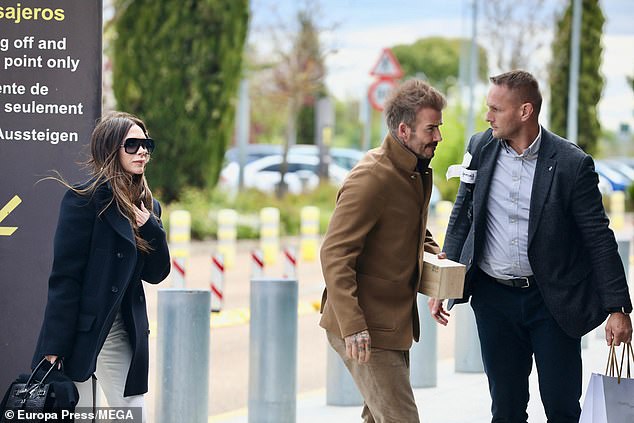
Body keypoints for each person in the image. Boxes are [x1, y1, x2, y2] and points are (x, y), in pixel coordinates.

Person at [428, 70, 633, 422]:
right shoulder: (479, 147)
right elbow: (463, 214)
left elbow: (598, 238)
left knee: (562, 408)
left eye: (495, 108)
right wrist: (443, 283)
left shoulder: (572, 163)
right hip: (494, 300)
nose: (487, 116)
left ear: (525, 111)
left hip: (552, 302)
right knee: (505, 409)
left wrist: (618, 308)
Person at [31, 111, 171, 422]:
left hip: (123, 330)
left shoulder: (148, 206)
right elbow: (65, 278)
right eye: (132, 145)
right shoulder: (84, 199)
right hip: (83, 330)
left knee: (131, 413)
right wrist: (54, 345)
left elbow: (157, 273)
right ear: (110, 149)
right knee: (79, 414)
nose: (143, 151)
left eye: (146, 144)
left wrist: (152, 228)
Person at [319, 79, 445, 422]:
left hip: (391, 324)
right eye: (431, 128)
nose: (438, 137)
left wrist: (435, 255)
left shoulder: (411, 172)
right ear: (404, 130)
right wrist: (354, 326)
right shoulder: (373, 177)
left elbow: (408, 227)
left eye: (438, 127)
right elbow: (334, 253)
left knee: (379, 418)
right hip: (365, 325)